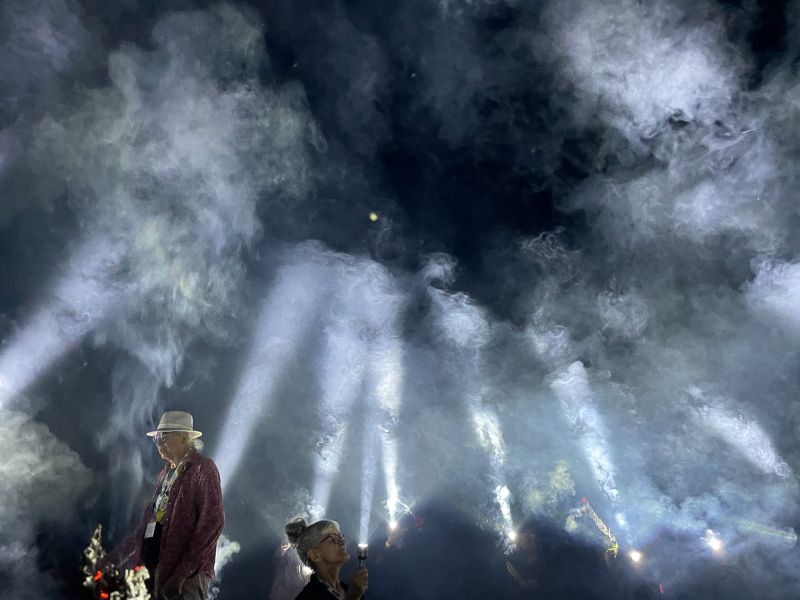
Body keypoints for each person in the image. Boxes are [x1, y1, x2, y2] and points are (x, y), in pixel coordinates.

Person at [111, 410, 225, 600]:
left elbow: (213, 524)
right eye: (156, 437)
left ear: (182, 438)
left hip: (186, 578)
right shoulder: (165, 474)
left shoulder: (203, 469)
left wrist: (181, 575)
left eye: (163, 436)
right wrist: (115, 557)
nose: (158, 442)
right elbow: (146, 526)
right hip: (157, 570)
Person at [285, 518, 368, 600]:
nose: (342, 541)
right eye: (333, 539)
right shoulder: (308, 597)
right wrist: (353, 597)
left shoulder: (349, 589)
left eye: (340, 536)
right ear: (314, 555)